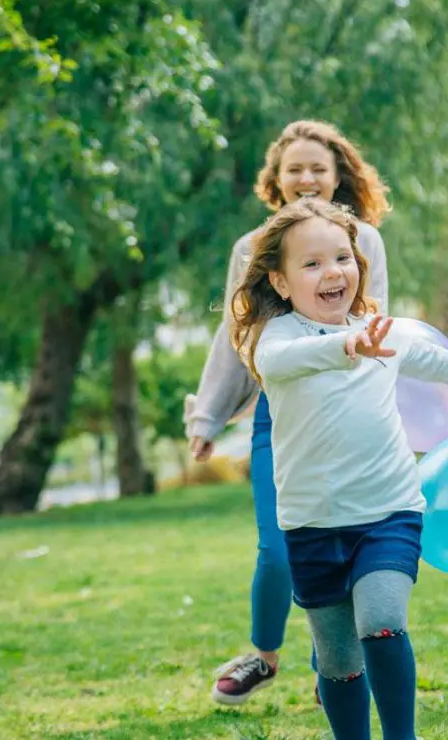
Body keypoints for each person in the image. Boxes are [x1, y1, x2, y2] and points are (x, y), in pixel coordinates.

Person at [231, 197, 448, 739]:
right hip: (311, 522)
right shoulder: (279, 339)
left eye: (341, 258)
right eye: (311, 264)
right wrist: (348, 345)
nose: (331, 272)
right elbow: (276, 364)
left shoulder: (383, 332)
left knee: (382, 621)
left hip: (388, 511)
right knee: (337, 658)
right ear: (282, 282)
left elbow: (446, 363)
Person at [183, 120, 390, 705]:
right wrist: (207, 418)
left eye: (318, 169)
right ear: (274, 180)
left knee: (348, 541)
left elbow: (374, 320)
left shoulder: (364, 241)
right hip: (281, 416)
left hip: (350, 415)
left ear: (337, 177)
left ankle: (337, 663)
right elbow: (235, 335)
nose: (306, 179)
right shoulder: (251, 250)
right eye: (294, 169)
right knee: (278, 547)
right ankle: (264, 657)